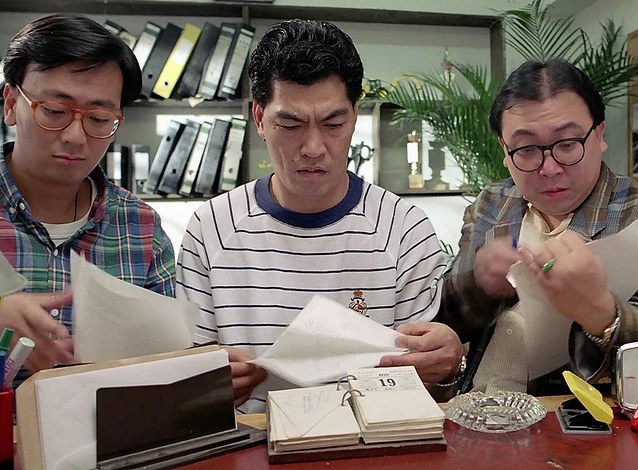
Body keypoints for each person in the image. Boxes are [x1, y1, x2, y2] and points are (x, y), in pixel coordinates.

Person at [177, 19, 463, 413]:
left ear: (354, 117)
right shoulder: (211, 228)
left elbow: (427, 390)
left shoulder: (403, 228)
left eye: (333, 125)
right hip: (251, 438)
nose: (313, 147)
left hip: (373, 435)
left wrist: (444, 368)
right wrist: (203, 382)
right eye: (290, 125)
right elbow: (188, 380)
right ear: (259, 118)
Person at [437, 58, 638, 395]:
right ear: (505, 149)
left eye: (568, 144)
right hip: (475, 407)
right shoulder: (492, 205)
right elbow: (446, 321)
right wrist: (479, 282)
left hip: (573, 416)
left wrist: (600, 310)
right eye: (526, 149)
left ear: (599, 135)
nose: (549, 168)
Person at [0, 14, 175, 374]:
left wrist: (205, 367)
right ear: (10, 104)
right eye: (54, 111)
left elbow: (164, 361)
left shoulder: (140, 227)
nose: (75, 137)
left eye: (98, 119)